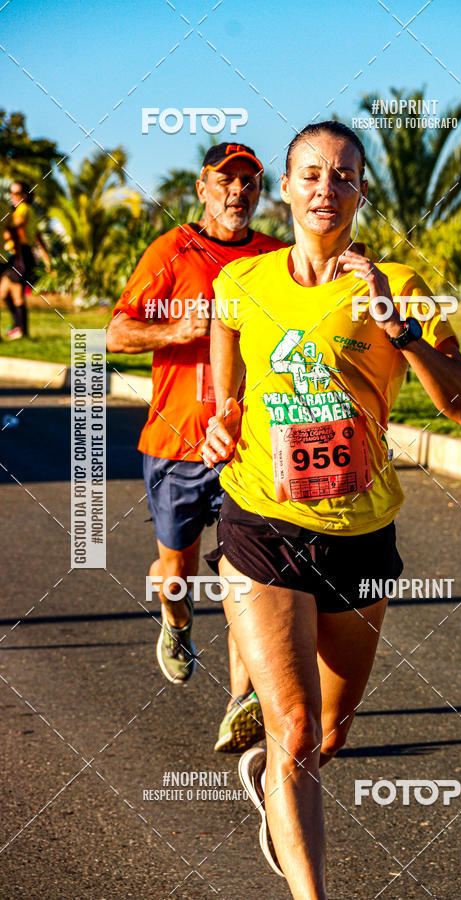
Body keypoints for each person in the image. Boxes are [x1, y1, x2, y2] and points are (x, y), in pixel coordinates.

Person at [202, 121, 461, 898]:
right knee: (293, 727)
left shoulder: (402, 283)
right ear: (286, 189)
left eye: (345, 175)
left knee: (327, 733)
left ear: (361, 191)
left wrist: (401, 329)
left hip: (361, 531)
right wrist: (224, 418)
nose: (327, 188)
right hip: (261, 518)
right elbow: (228, 382)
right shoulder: (242, 283)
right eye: (312, 174)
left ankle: (274, 782)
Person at [106, 143, 286, 753]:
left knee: (249, 577)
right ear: (203, 188)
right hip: (177, 443)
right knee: (177, 573)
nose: (238, 192)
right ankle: (176, 621)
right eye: (225, 181)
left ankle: (243, 702)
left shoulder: (274, 259)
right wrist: (179, 328)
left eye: (249, 182)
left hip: (247, 446)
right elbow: (116, 332)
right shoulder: (172, 250)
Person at [0, 181, 51, 339]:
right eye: (11, 193)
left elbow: (16, 228)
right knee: (6, 292)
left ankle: (21, 330)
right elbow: (38, 237)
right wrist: (47, 259)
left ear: (26, 195)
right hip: (24, 254)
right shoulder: (31, 211)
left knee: (15, 293)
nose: (13, 196)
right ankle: (19, 328)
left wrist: (6, 235)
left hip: (20, 254)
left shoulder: (22, 209)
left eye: (17, 193)